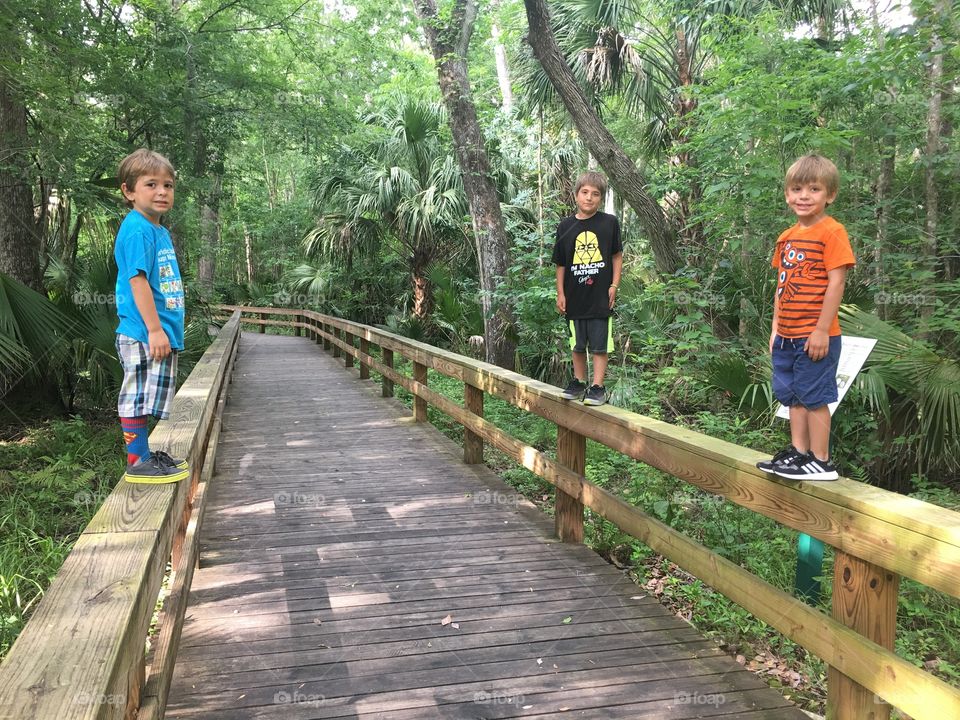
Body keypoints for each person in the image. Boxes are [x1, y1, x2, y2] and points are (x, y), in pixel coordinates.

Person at [757, 154, 855, 481]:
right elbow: (781, 285)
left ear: (830, 195)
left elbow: (837, 282)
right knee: (792, 397)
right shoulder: (786, 237)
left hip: (815, 334)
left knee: (814, 397)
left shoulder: (832, 231)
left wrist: (822, 330)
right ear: (787, 194)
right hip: (786, 335)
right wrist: (775, 328)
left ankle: (821, 460)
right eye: (797, 189)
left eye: (814, 189)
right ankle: (799, 454)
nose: (803, 196)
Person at [114, 149, 190, 483]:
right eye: (151, 184)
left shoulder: (157, 230)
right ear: (128, 191)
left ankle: (146, 454)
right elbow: (138, 280)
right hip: (143, 332)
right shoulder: (137, 229)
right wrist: (155, 329)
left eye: (168, 185)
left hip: (156, 332)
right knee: (135, 394)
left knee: (148, 396)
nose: (162, 191)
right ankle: (137, 461)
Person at [552, 171, 623, 407]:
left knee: (600, 344)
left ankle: (598, 387)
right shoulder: (565, 226)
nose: (589, 198)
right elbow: (561, 263)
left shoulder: (609, 223)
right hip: (574, 296)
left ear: (600, 198)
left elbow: (616, 256)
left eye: (595, 194)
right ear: (576, 195)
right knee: (577, 343)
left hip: (600, 296)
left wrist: (614, 284)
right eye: (585, 192)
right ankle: (579, 381)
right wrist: (560, 293)